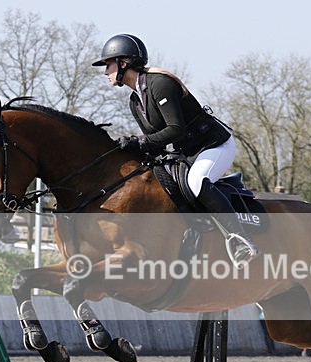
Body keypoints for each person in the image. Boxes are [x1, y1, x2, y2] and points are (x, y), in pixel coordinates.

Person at [92, 34, 258, 268]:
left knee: (197, 182)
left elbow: (175, 130)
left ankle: (241, 240)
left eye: (108, 64)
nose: (105, 71)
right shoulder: (134, 101)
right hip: (186, 153)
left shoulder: (160, 84)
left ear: (124, 63)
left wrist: (138, 141)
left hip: (213, 145)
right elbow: (155, 142)